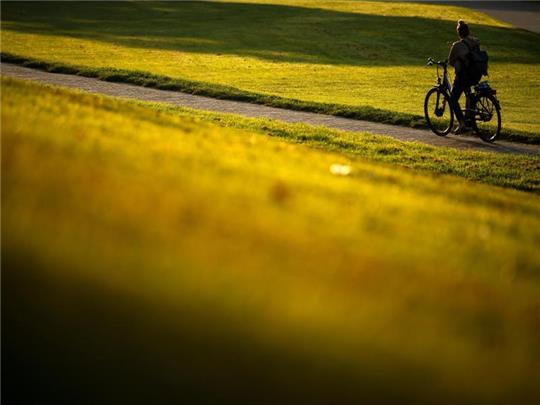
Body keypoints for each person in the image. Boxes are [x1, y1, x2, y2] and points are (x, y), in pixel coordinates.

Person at [448, 20, 480, 134]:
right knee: (468, 93)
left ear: (459, 33)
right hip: (475, 75)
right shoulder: (475, 41)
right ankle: (470, 120)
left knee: (453, 99)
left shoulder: (457, 45)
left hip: (463, 76)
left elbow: (450, 61)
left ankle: (462, 123)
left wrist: (456, 57)